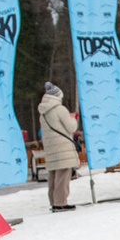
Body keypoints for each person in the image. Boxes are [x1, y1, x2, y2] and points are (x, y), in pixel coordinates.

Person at [38, 82, 80, 212]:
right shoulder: (60, 109)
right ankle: (60, 203)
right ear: (57, 96)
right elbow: (71, 127)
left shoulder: (43, 113)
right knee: (63, 176)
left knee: (53, 176)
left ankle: (54, 201)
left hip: (51, 148)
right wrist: (74, 119)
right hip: (63, 148)